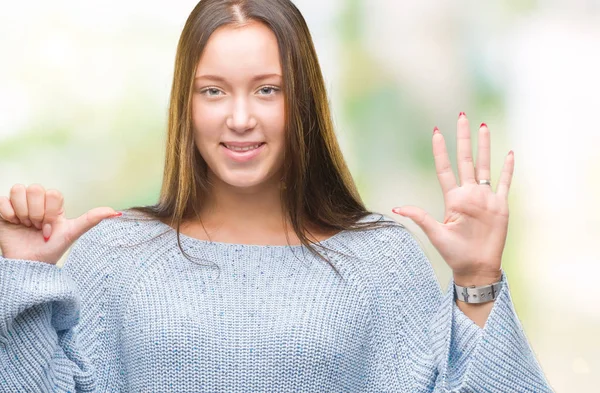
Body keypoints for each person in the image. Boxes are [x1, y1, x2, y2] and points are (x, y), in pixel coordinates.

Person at [0, 0, 553, 392]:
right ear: (185, 107)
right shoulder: (117, 256)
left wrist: (478, 280)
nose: (241, 119)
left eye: (268, 90)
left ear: (304, 102)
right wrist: (21, 275)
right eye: (213, 91)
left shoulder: (379, 261)